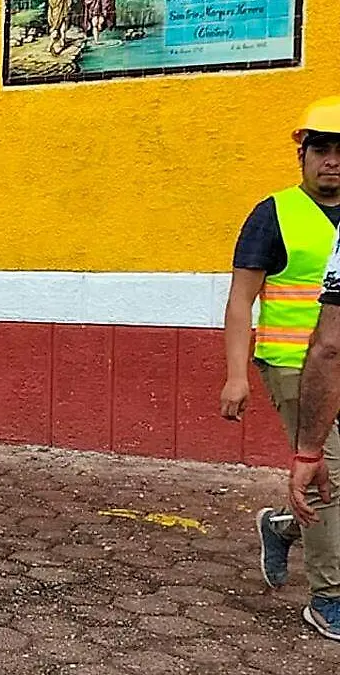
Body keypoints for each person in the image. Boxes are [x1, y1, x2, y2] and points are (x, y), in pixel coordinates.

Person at [220, 96, 340, 602]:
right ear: (303, 155)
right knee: (325, 473)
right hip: (292, 367)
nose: (333, 160)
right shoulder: (274, 214)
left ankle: (285, 528)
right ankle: (328, 598)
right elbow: (240, 299)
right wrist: (236, 375)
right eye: (322, 149)